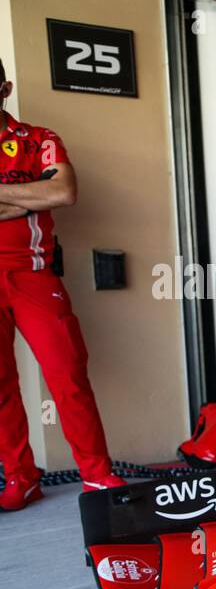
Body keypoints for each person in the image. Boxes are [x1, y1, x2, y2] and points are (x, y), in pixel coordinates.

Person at [0, 57, 124, 511]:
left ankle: (97, 474)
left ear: (5, 88)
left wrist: (34, 195)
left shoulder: (38, 140)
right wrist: (27, 197)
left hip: (33, 273)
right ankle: (21, 477)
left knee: (67, 375)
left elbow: (63, 192)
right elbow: (43, 194)